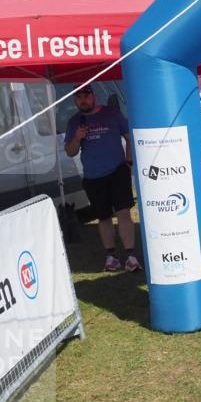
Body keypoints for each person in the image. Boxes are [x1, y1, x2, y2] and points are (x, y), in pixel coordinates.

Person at [64, 86, 141, 272]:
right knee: (104, 217)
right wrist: (77, 137)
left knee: (123, 212)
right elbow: (70, 151)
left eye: (86, 96)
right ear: (75, 100)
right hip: (93, 176)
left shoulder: (112, 114)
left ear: (94, 96)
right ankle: (111, 257)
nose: (83, 100)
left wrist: (128, 163)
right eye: (79, 97)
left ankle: (130, 256)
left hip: (117, 171)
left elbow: (129, 137)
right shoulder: (74, 122)